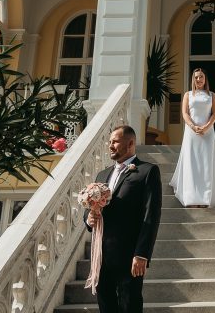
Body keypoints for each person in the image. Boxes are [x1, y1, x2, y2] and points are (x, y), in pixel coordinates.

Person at [85, 125, 162, 313]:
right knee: (106, 306)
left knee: (130, 305)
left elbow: (151, 214)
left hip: (129, 255)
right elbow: (90, 208)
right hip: (101, 255)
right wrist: (88, 219)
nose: (110, 145)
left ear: (130, 143)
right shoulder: (102, 175)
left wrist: (142, 253)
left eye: (115, 141)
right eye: (110, 142)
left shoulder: (147, 171)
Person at [169, 67, 215, 207]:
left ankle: (206, 197)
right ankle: (192, 198)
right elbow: (185, 114)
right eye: (196, 77)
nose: (198, 79)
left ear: (205, 79)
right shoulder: (188, 95)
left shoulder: (212, 95)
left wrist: (206, 127)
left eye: (201, 77)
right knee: (192, 163)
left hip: (208, 133)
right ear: (193, 79)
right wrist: (193, 127)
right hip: (191, 133)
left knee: (206, 163)